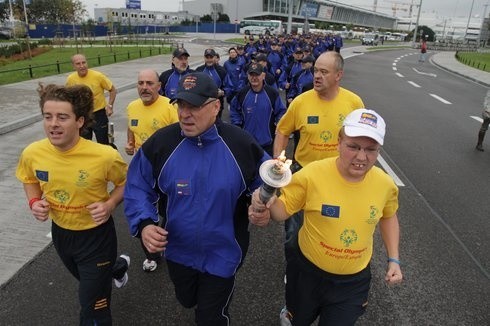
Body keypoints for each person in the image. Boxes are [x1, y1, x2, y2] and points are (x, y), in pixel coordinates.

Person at [123, 72, 269, 325]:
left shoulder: (241, 144)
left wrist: (264, 204)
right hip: (179, 251)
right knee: (188, 299)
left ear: (215, 107)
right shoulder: (162, 144)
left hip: (224, 252)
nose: (184, 114)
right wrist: (145, 223)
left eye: (194, 106)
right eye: (181, 104)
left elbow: (267, 181)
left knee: (210, 316)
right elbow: (137, 186)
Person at [250, 108, 403, 326]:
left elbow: (389, 216)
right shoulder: (312, 175)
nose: (361, 157)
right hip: (306, 274)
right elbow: (281, 212)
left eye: (371, 149)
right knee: (296, 321)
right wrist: (264, 200)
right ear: (339, 141)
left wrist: (394, 259)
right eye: (353, 146)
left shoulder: (385, 184)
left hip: (352, 283)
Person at [15, 84, 130, 326]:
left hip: (97, 238)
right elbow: (29, 179)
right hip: (62, 235)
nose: (53, 124)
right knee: (90, 282)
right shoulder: (32, 153)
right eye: (48, 117)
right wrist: (34, 201)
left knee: (92, 305)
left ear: (79, 121)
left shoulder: (104, 155)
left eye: (62, 117)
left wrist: (109, 205)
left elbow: (126, 184)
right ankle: (116, 267)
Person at [125, 69, 179, 272]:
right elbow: (132, 128)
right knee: (144, 211)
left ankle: (170, 239)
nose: (144, 87)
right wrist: (129, 144)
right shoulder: (132, 107)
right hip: (142, 172)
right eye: (140, 83)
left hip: (167, 170)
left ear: (159, 86)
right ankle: (152, 253)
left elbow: (182, 136)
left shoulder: (169, 107)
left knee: (167, 210)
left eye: (149, 83)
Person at [230, 63, 286, 156]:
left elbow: (281, 111)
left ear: (263, 76)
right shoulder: (242, 93)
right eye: (251, 75)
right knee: (249, 169)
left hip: (267, 143)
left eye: (257, 75)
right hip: (247, 142)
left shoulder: (272, 93)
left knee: (265, 169)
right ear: (248, 76)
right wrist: (237, 123)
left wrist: (279, 123)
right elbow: (234, 109)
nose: (254, 78)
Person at [66, 54, 117, 145]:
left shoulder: (98, 76)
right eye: (78, 64)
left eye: (84, 62)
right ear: (73, 66)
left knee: (104, 143)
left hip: (99, 115)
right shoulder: (71, 79)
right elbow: (68, 97)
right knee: (84, 144)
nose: (82, 66)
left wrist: (110, 106)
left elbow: (112, 90)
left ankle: (110, 157)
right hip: (83, 115)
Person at [196, 48, 227, 118]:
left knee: (216, 126)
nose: (209, 60)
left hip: (217, 105)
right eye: (207, 57)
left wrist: (223, 92)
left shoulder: (221, 70)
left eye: (211, 57)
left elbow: (228, 86)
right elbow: (194, 87)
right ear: (204, 58)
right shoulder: (199, 70)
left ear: (215, 57)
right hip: (202, 105)